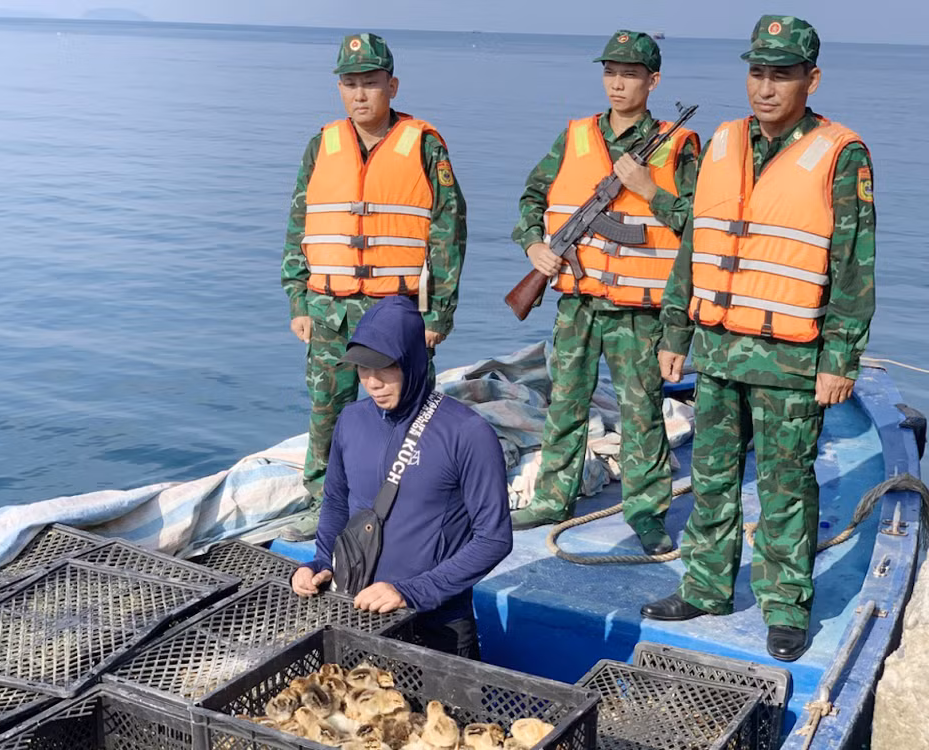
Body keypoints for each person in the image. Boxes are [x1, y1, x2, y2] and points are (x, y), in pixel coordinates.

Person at [642, 16, 876, 662]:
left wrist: (841, 358)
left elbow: (854, 268)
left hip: (791, 360)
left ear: (811, 79)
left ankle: (784, 604)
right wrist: (675, 329)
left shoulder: (840, 154)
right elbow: (694, 243)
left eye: (781, 74)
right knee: (712, 476)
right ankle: (708, 586)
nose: (765, 87)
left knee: (784, 484)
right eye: (757, 72)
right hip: (718, 352)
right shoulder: (722, 143)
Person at [508, 31, 699, 555]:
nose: (618, 83)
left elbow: (699, 226)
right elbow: (530, 197)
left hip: (639, 312)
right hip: (577, 303)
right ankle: (553, 498)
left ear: (652, 81)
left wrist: (648, 190)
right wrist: (534, 249)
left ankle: (647, 513)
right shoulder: (574, 137)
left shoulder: (676, 146)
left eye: (631, 74)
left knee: (643, 415)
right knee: (565, 404)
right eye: (611, 71)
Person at [281, 33, 467, 541]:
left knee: (404, 413)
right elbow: (299, 224)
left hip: (395, 311)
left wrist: (437, 317)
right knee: (327, 414)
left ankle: (405, 509)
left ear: (392, 85)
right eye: (350, 84)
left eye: (370, 83)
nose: (360, 94)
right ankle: (323, 506)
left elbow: (449, 233)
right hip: (327, 308)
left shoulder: (425, 145)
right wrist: (298, 298)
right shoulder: (322, 144)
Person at [290, 296, 513, 658]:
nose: (373, 382)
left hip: (436, 625)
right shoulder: (351, 420)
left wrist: (412, 592)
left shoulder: (468, 433)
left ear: (413, 361)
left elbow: (494, 539)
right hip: (359, 611)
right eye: (363, 369)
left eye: (385, 368)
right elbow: (335, 502)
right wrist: (319, 562)